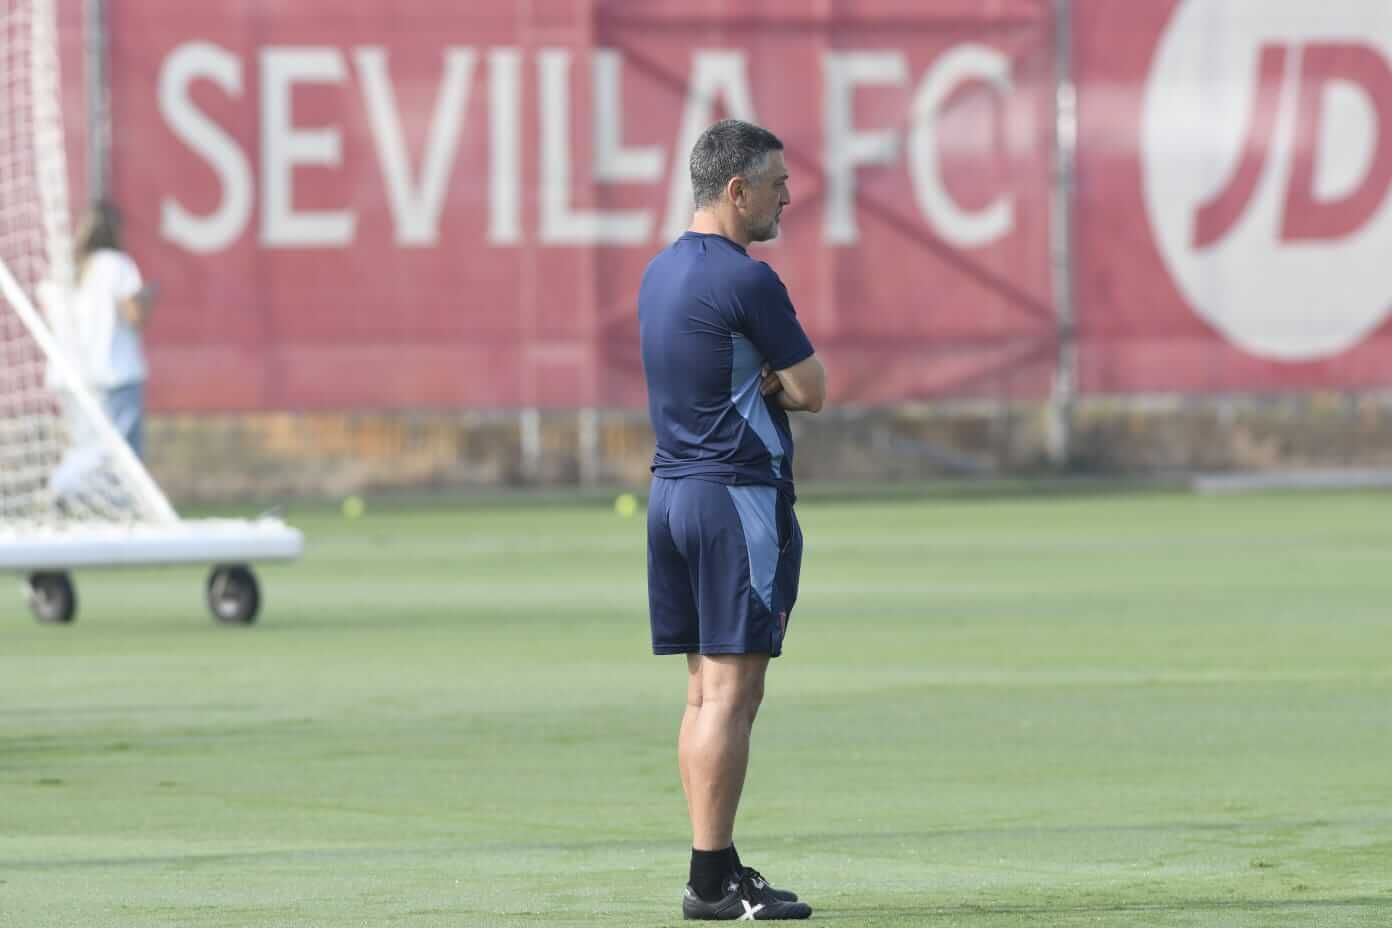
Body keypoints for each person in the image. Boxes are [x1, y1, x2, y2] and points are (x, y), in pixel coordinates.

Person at [638, 119, 826, 921]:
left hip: (671, 497)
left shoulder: (657, 273)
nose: (789, 193)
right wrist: (774, 390)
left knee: (702, 696)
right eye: (777, 181)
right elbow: (812, 388)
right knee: (731, 698)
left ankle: (718, 867)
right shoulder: (749, 280)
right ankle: (710, 883)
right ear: (735, 190)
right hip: (735, 498)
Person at [70, 200, 156, 458]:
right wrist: (146, 300)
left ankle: (69, 490)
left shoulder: (77, 269)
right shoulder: (118, 265)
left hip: (83, 375)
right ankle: (62, 486)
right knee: (121, 458)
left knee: (90, 449)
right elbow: (134, 315)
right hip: (119, 374)